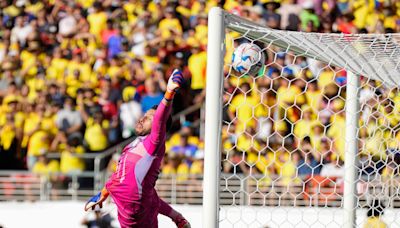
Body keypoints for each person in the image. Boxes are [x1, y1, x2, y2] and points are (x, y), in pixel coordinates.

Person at [84, 69, 190, 228]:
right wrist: (103, 193)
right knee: (150, 196)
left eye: (149, 118)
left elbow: (160, 119)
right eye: (144, 115)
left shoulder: (154, 142)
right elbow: (121, 175)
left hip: (134, 211)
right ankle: (178, 218)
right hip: (131, 207)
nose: (142, 118)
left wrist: (168, 94)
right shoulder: (133, 145)